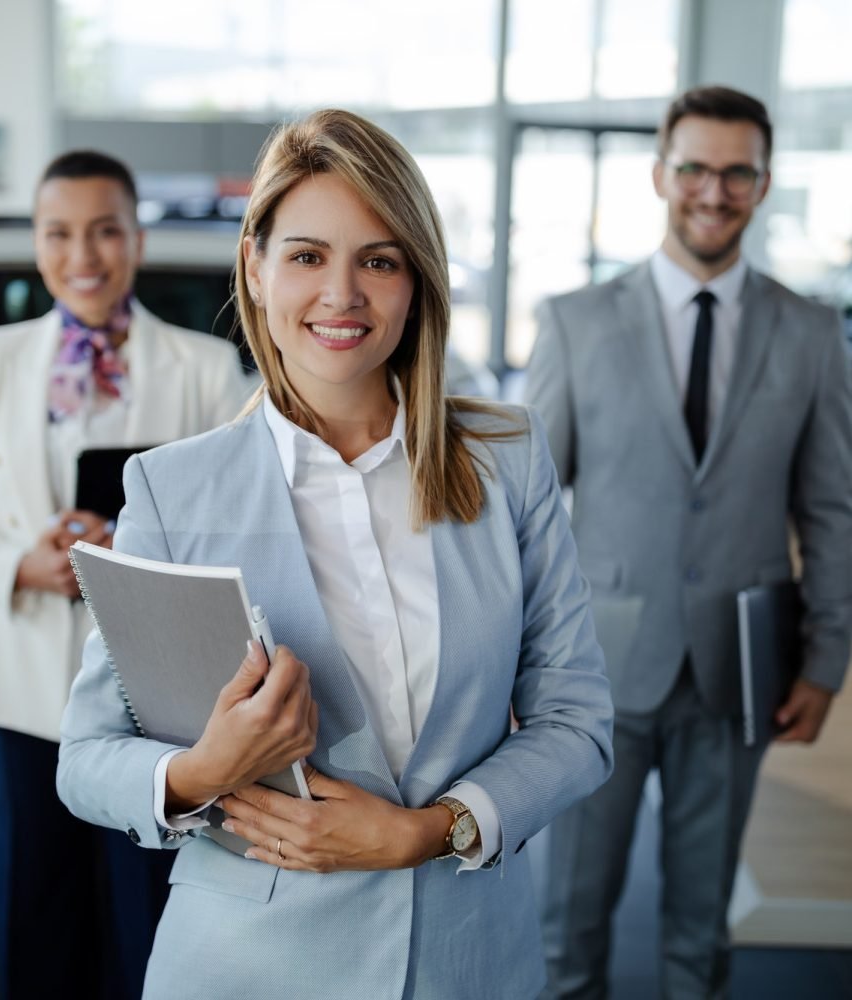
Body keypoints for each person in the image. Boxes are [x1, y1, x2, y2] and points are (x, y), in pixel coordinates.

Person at [56, 108, 614, 1000]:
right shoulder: (173, 489)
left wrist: (431, 831)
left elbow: (577, 720)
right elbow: (86, 759)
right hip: (249, 963)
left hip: (464, 959)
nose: (342, 295)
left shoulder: (506, 459)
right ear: (257, 266)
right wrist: (205, 768)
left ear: (418, 281)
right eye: (308, 255)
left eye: (379, 261)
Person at [526, 85, 852, 998]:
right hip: (592, 671)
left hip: (742, 666)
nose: (714, 191)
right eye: (696, 169)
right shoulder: (574, 322)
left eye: (736, 172)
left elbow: (832, 510)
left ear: (764, 181)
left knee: (701, 930)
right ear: (661, 174)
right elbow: (532, 509)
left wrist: (827, 661)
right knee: (568, 929)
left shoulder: (813, 331)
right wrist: (516, 664)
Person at [0, 149, 251, 1000]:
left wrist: (127, 551)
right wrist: (23, 563)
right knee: (36, 898)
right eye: (60, 233)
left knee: (147, 905)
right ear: (36, 244)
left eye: (106, 231)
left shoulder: (204, 368)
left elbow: (233, 525)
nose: (84, 255)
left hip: (154, 689)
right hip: (23, 679)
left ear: (136, 239)